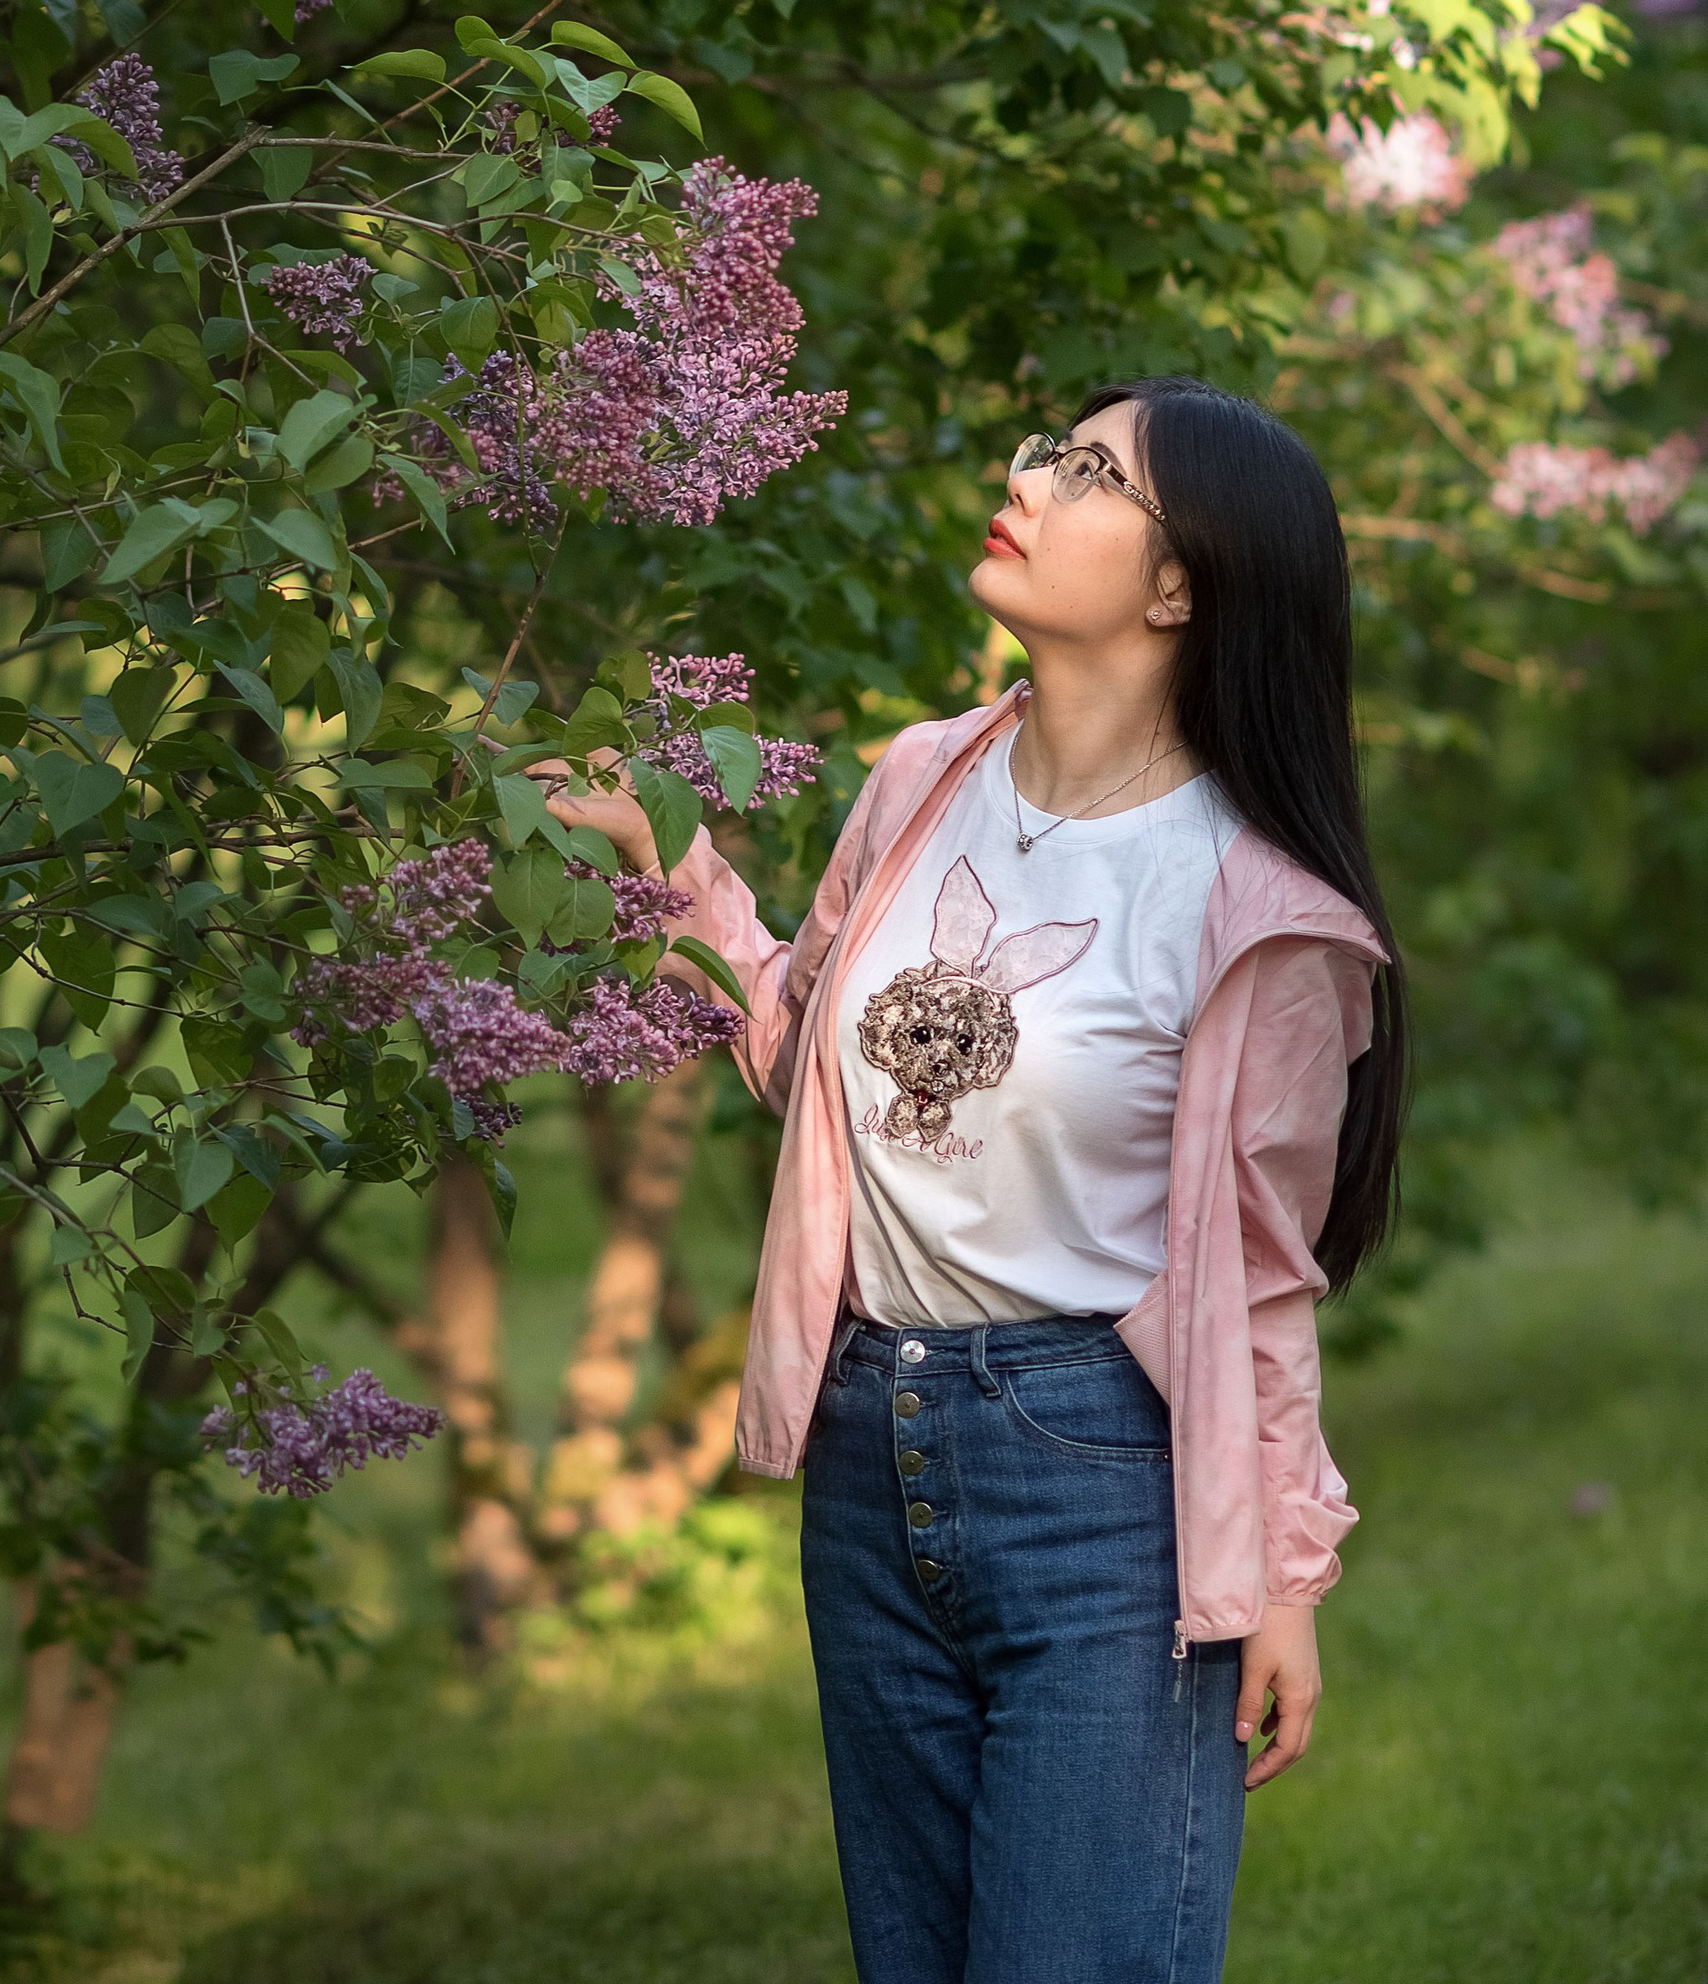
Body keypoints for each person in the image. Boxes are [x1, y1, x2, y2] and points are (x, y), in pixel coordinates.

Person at [539, 376, 1406, 1984]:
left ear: (1178, 586)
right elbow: (815, 1071)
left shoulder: (1259, 912)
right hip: (874, 1450)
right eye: (1046, 452)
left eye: (1087, 474)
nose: (1029, 479)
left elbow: (1258, 1282)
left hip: (1105, 1487)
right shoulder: (924, 776)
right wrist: (677, 874)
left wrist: (1282, 1577)